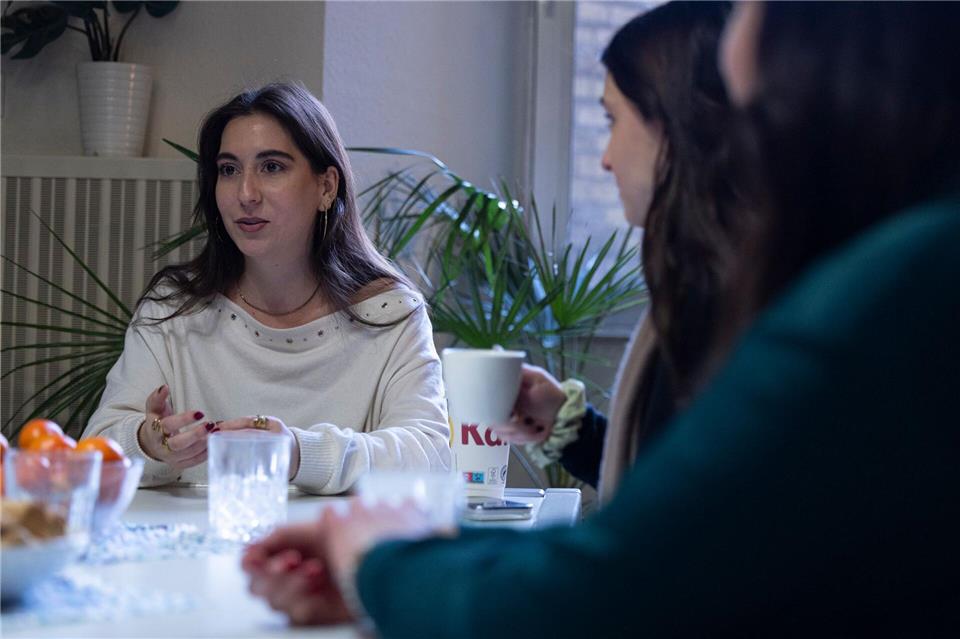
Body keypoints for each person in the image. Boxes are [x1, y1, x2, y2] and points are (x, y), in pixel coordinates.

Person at [243, 1, 960, 635]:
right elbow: (688, 534)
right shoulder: (883, 272)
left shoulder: (871, 299)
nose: (606, 156)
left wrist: (380, 559)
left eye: (747, 8)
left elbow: (609, 585)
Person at [83, 83, 451, 494]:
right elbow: (95, 448)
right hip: (193, 551)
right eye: (229, 170)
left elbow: (430, 456)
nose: (245, 194)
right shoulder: (174, 308)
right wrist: (148, 442)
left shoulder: (389, 313)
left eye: (271, 167)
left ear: (326, 187)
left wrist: (296, 453)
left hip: (338, 549)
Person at [494, 1, 739, 500]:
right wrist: (567, 424)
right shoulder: (701, 274)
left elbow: (674, 519)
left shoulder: (724, 298)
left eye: (612, 120)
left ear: (672, 123)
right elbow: (663, 475)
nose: (604, 159)